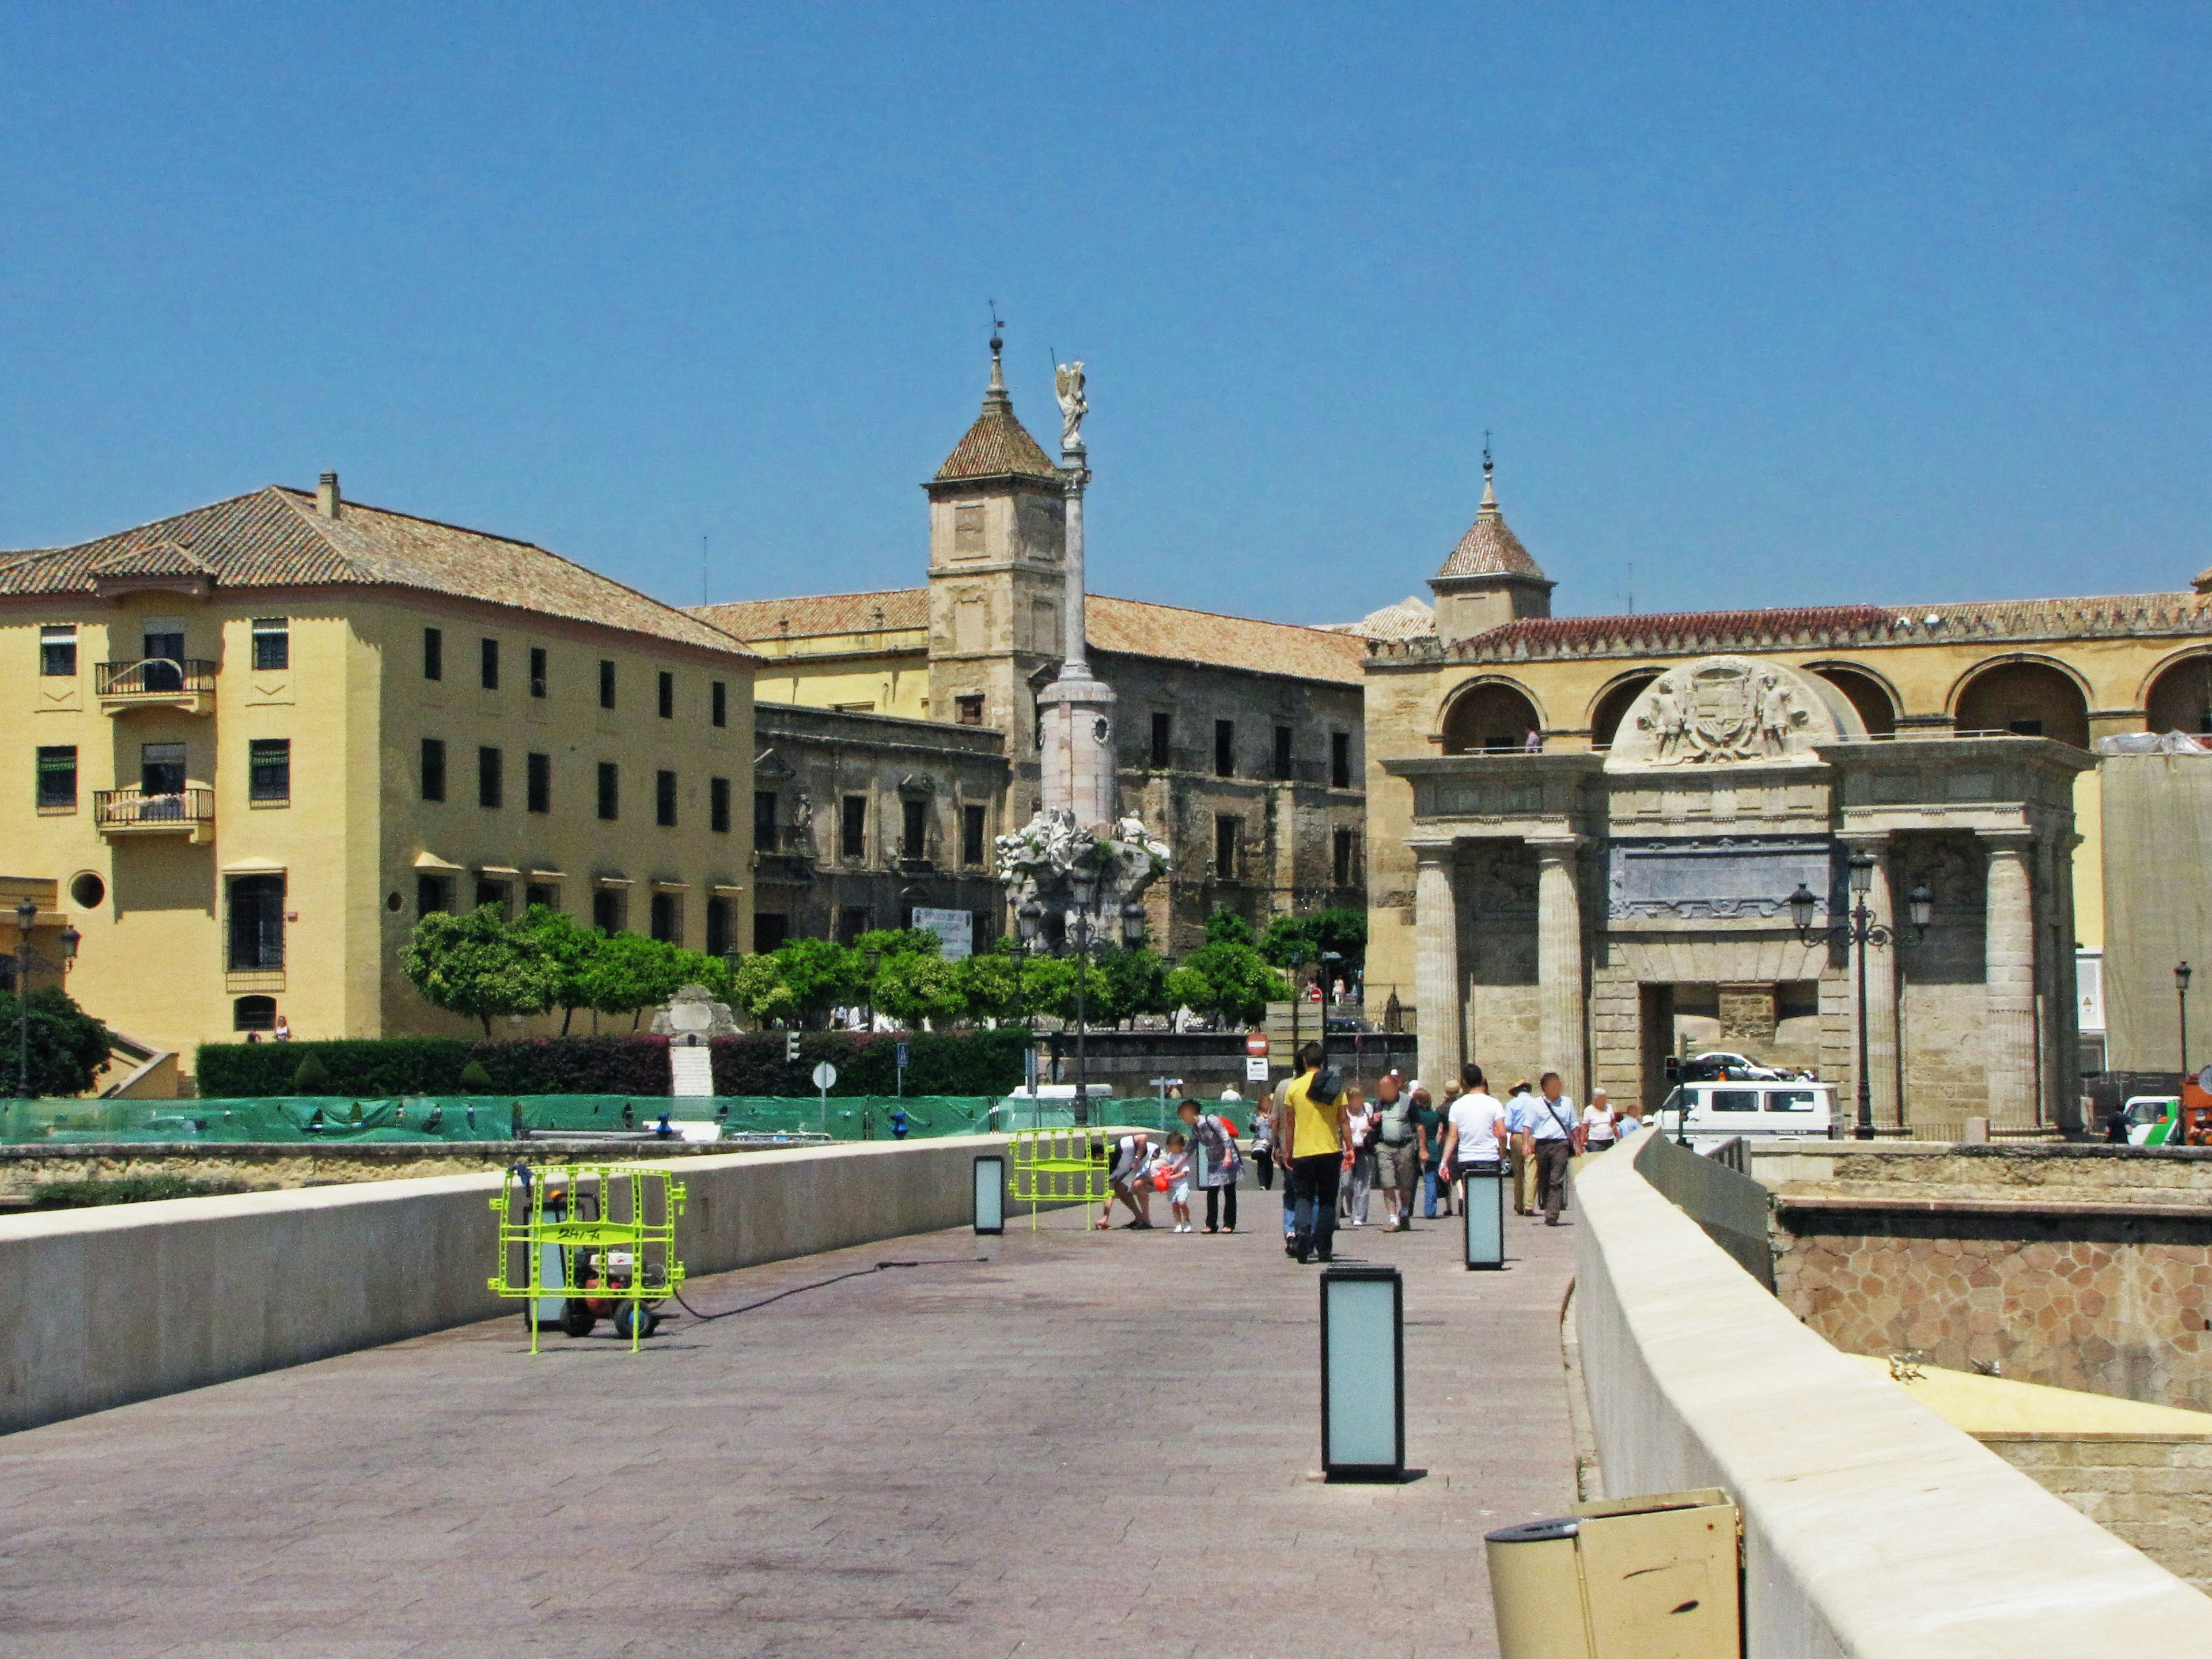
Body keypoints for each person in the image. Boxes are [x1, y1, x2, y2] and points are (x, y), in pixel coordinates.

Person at [1276, 1041, 1351, 1264]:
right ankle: (1325, 1247)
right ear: (1322, 1061)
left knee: (1304, 1197)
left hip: (1303, 1152)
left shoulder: (1294, 1088)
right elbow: (1344, 1120)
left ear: (1305, 1061)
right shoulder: (1335, 1085)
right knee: (1328, 1200)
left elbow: (1290, 1124)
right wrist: (1350, 1148)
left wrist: (1288, 1152)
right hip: (1330, 1150)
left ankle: (1301, 1236)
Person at [1441, 1065, 1508, 1196]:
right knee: (1490, 1198)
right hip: (1489, 1157)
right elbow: (1502, 1133)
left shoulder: (1457, 1105)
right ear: (1482, 1079)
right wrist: (1502, 1154)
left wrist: (1444, 1161)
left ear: (1464, 1082)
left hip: (1467, 1157)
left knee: (1470, 1198)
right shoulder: (1494, 1103)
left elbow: (1452, 1136)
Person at [1181, 1096, 1243, 1234]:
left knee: (1229, 1191)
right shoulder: (1196, 1129)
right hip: (1214, 1160)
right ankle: (1211, 1224)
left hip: (1228, 1157)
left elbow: (1225, 1136)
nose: (1183, 1119)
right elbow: (1191, 1147)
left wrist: (1228, 1156)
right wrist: (1177, 1164)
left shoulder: (1210, 1120)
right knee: (1212, 1192)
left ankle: (1229, 1224)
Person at [1372, 1072, 1423, 1231]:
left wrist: (1423, 1150)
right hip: (1384, 1147)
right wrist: (1373, 1121)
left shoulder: (1408, 1102)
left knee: (1405, 1185)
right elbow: (1371, 1127)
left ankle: (1405, 1213)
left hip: (1405, 1146)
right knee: (1388, 1184)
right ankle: (1393, 1219)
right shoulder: (1378, 1103)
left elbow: (1419, 1126)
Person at [1529, 1071, 1579, 1225]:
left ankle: (1552, 1215)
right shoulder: (1536, 1104)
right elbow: (1527, 1125)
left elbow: (1574, 1125)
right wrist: (1526, 1143)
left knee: (1556, 1180)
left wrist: (1578, 1144)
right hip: (1542, 1144)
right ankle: (1547, 1204)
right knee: (1544, 1180)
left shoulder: (1567, 1102)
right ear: (1544, 1088)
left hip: (1561, 1144)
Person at [1341, 1083, 1380, 1227]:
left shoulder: (1367, 1109)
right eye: (1356, 1099)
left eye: (1360, 1098)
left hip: (1364, 1149)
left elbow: (1374, 1126)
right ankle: (1352, 1209)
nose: (1359, 1102)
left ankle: (1359, 1216)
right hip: (1348, 1150)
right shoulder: (1344, 1111)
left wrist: (1370, 1128)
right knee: (1346, 1184)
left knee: (1363, 1183)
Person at [1102, 1131, 1156, 1229]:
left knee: (1138, 1184)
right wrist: (1105, 1218)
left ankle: (1146, 1221)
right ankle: (1140, 1218)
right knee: (1120, 1187)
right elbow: (1109, 1194)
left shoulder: (1119, 1146)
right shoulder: (1110, 1170)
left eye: (1094, 1162)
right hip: (1139, 1169)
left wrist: (1137, 1159)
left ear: (1098, 1156)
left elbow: (1143, 1137)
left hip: (1154, 1157)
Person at [1504, 1081, 1543, 1215]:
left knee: (1518, 1172)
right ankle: (1529, 1205)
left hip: (1516, 1138)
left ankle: (1519, 1205)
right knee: (1531, 1171)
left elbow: (1507, 1125)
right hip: (1532, 1137)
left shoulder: (1511, 1104)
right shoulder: (1537, 1103)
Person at [1413, 1084, 1447, 1218]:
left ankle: (1407, 1209)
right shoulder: (1435, 1114)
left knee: (1411, 1181)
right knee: (1431, 1180)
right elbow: (1446, 1123)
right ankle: (1430, 1210)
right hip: (1433, 1146)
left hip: (1416, 1146)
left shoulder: (1417, 1115)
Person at [1159, 1133, 1194, 1232]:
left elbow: (1185, 1172)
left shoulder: (1183, 1156)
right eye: (1171, 1147)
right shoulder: (1170, 1156)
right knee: (1175, 1205)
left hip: (1182, 1185)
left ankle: (1187, 1221)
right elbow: (1168, 1168)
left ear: (1181, 1146)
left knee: (1182, 1203)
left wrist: (1173, 1177)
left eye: (1175, 1147)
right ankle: (1178, 1224)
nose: (1172, 1149)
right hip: (1172, 1186)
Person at [1248, 1089, 1277, 1190]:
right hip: (1260, 1142)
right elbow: (1251, 1128)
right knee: (1261, 1163)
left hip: (1271, 1142)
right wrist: (1254, 1125)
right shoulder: (1255, 1115)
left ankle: (1268, 1184)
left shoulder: (1273, 1115)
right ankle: (1262, 1184)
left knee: (1269, 1163)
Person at [1581, 1088, 1621, 1153]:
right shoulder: (1589, 1110)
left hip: (1609, 1139)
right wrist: (1583, 1141)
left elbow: (1613, 1124)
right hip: (1595, 1141)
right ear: (1595, 1099)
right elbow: (1584, 1127)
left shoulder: (1609, 1107)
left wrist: (1619, 1138)